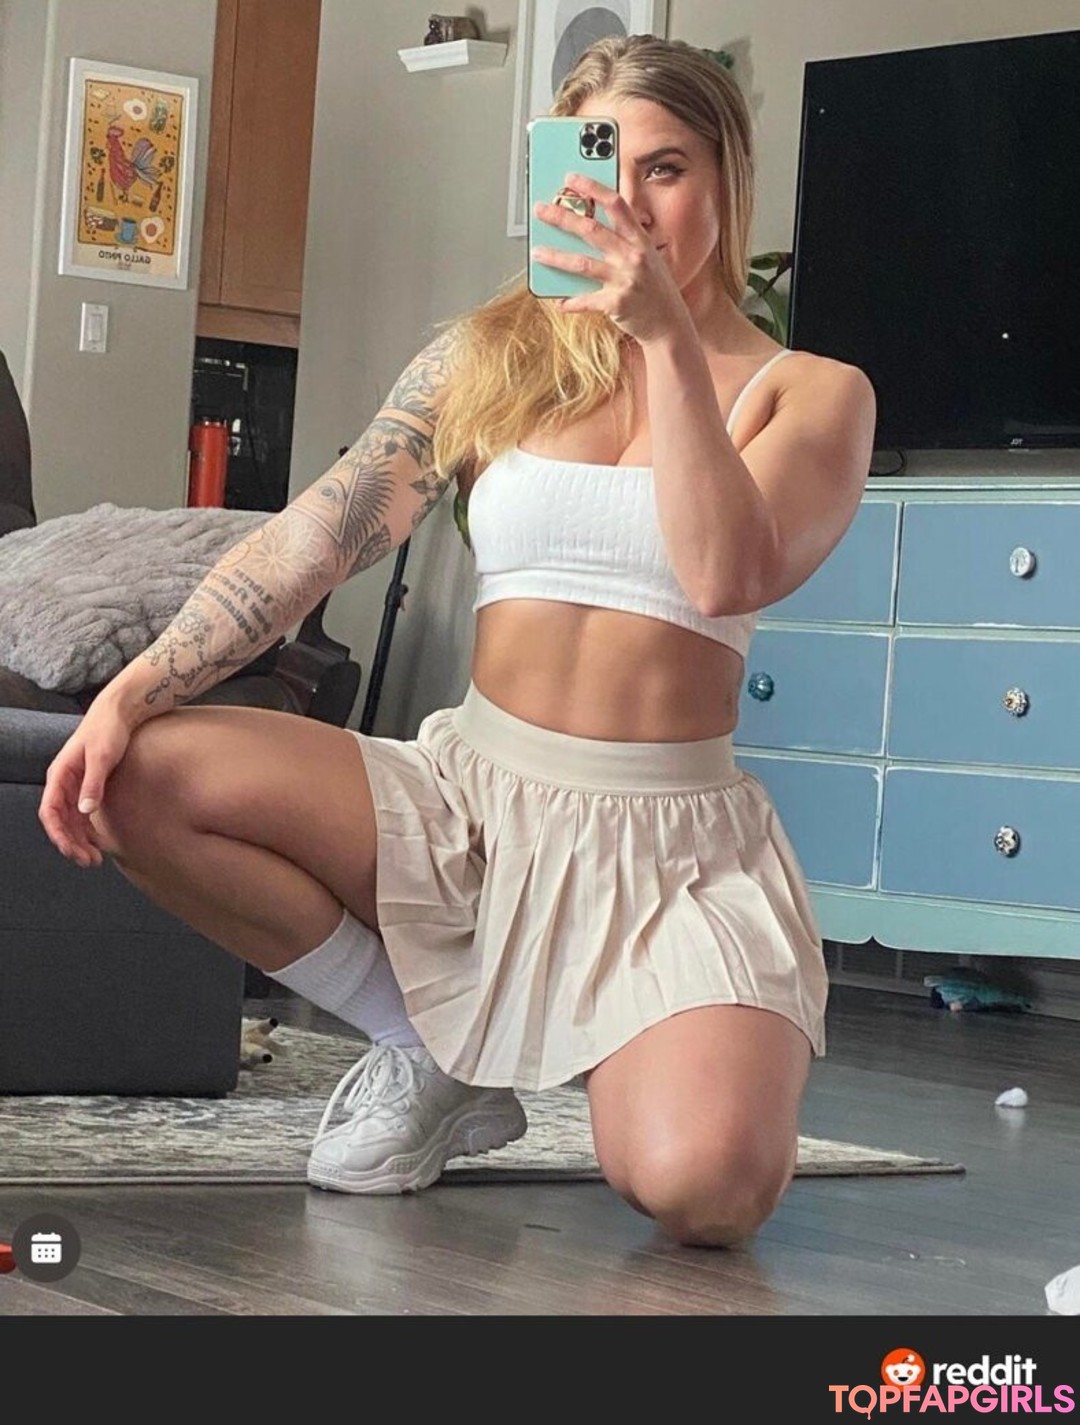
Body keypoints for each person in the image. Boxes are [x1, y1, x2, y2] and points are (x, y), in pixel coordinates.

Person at [38, 34, 876, 1248]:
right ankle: (429, 1044)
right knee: (136, 777)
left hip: (667, 850)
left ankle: (638, 1030)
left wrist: (666, 343)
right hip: (468, 804)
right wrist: (133, 689)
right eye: (602, 171)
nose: (632, 209)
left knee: (706, 1189)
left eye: (666, 170)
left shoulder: (812, 391)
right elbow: (319, 535)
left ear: (727, 175)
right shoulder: (493, 358)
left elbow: (724, 571)